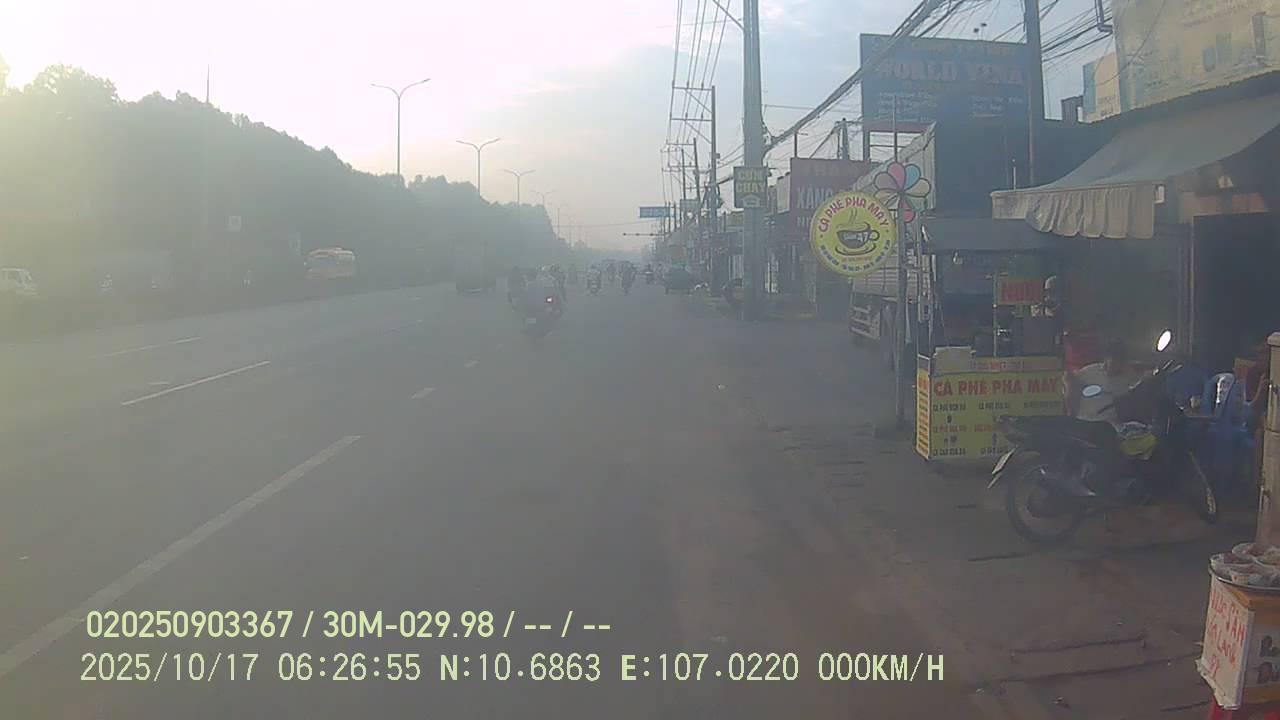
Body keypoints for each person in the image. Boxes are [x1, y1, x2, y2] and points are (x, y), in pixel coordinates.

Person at [1067, 339, 1145, 425]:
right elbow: (1070, 381)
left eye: (1119, 361)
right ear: (1106, 359)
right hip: (1084, 420)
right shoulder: (1089, 372)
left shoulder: (1131, 377)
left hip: (1111, 424)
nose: (1114, 364)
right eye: (1112, 360)